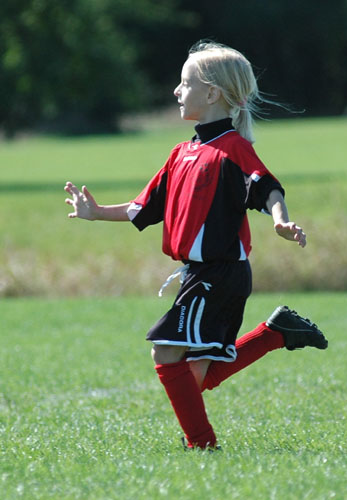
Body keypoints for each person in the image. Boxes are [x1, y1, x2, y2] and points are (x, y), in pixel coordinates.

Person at [64, 41, 328, 451]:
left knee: (166, 353)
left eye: (184, 83)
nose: (176, 90)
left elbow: (268, 188)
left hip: (221, 274)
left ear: (212, 94)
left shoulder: (233, 149)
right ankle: (275, 334)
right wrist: (96, 212)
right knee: (192, 377)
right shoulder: (181, 153)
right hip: (199, 274)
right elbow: (143, 207)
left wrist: (280, 220)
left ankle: (202, 445)